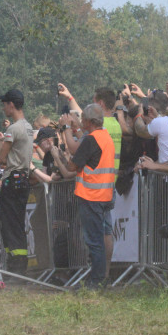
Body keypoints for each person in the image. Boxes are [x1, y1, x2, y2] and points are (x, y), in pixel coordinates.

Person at [59, 104, 115, 287]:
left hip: (91, 195)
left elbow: (72, 166)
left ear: (90, 122)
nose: (81, 122)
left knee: (94, 241)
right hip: (104, 194)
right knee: (100, 238)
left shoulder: (91, 140)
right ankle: (100, 278)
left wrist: (64, 157)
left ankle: (96, 281)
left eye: (83, 120)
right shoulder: (105, 136)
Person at [0, 89, 35, 274]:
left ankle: (15, 270)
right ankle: (18, 268)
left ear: (11, 105)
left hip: (12, 181)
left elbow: (3, 159)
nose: (3, 107)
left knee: (10, 228)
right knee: (17, 225)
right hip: (23, 179)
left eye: (4, 104)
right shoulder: (27, 127)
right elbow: (8, 153)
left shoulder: (13, 129)